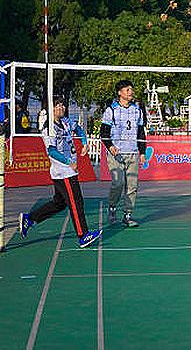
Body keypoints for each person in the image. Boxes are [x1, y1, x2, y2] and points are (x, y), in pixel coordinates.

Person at [18, 97, 102, 248]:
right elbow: (51, 151)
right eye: (57, 105)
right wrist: (69, 162)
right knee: (76, 203)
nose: (61, 107)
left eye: (62, 105)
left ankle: (30, 219)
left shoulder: (65, 121)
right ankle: (83, 235)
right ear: (50, 109)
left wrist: (84, 143)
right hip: (64, 172)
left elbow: (78, 129)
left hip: (68, 170)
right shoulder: (48, 128)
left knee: (59, 203)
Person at [100, 80, 147, 227]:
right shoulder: (111, 110)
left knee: (132, 186)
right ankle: (112, 207)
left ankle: (128, 215)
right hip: (116, 153)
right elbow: (104, 132)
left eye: (131, 89)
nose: (130, 92)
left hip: (132, 152)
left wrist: (142, 152)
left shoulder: (137, 110)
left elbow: (141, 132)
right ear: (119, 93)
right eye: (127, 90)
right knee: (118, 183)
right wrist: (110, 146)